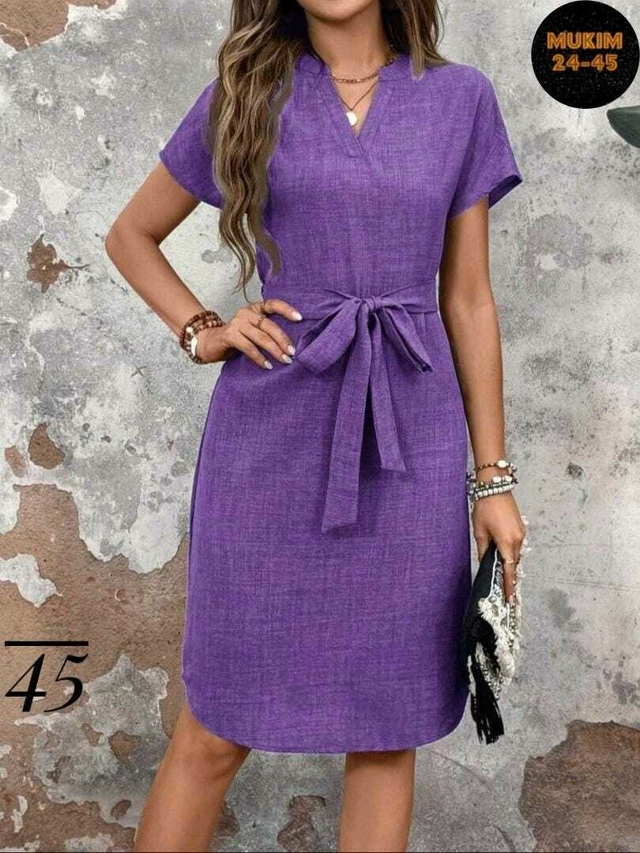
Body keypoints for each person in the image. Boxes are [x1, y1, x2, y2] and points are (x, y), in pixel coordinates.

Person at [105, 0, 528, 849]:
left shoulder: (461, 100)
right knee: (216, 727)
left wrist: (493, 481)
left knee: (387, 728)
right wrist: (203, 329)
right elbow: (131, 235)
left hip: (410, 444)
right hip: (269, 441)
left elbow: (469, 299)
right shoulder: (246, 93)